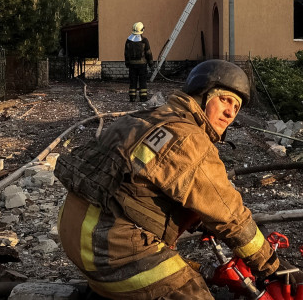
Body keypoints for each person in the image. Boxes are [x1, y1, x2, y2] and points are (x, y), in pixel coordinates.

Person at [54, 60, 283, 299]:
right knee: (194, 291)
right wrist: (272, 267)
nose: (230, 113)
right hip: (110, 256)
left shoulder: (144, 117)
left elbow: (137, 188)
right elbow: (231, 218)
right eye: (225, 100)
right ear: (202, 95)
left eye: (236, 107)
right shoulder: (190, 140)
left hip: (76, 239)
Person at [124, 22, 153, 102]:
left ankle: (132, 97)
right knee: (142, 81)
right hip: (142, 65)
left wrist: (127, 63)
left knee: (133, 81)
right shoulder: (144, 40)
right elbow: (148, 53)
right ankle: (143, 98)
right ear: (141, 30)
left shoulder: (128, 40)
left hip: (132, 65)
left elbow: (126, 53)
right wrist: (151, 63)